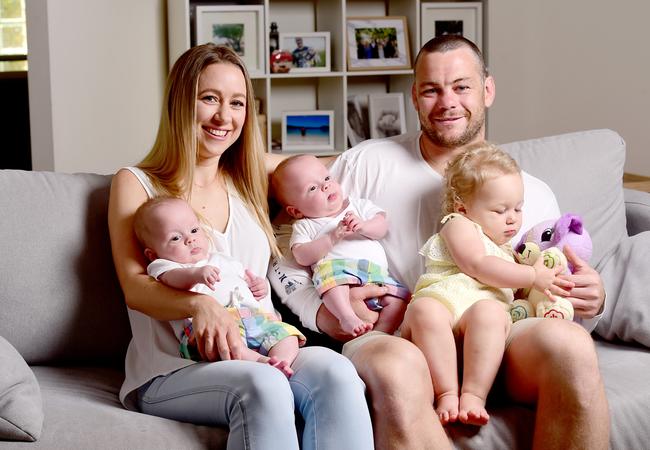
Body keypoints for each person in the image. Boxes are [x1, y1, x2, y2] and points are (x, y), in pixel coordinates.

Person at [269, 35, 609, 449]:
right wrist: (325, 315)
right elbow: (284, 259)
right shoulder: (365, 164)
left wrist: (589, 300)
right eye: (432, 89)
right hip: (402, 333)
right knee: (394, 366)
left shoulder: (529, 191)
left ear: (488, 90)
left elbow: (549, 287)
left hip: (501, 337)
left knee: (572, 346)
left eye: (462, 86)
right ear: (414, 96)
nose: (447, 101)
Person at [108, 43, 374, 450]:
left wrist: (415, 150)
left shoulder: (249, 175)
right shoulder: (136, 183)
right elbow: (134, 285)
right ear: (182, 102)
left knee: (338, 373)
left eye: (237, 103)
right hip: (173, 367)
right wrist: (200, 305)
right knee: (264, 384)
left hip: (262, 344)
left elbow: (337, 167)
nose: (224, 117)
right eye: (209, 99)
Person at [401, 143, 571, 426]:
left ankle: (474, 395)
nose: (512, 218)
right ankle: (446, 393)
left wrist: (543, 286)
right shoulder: (458, 225)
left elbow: (519, 291)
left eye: (518, 208)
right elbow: (477, 264)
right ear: (463, 207)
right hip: (444, 302)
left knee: (490, 313)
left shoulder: (511, 252)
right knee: (425, 311)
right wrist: (531, 276)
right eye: (500, 210)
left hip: (480, 317)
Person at [133, 196, 306, 377]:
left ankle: (281, 362)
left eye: (193, 230)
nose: (190, 239)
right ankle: (261, 363)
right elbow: (172, 280)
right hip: (209, 327)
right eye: (175, 238)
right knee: (229, 346)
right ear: (152, 254)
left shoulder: (223, 260)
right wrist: (196, 274)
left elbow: (246, 281)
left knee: (287, 334)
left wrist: (258, 287)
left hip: (251, 317)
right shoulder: (165, 266)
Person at [271, 154, 409, 337]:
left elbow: (382, 226)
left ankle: (380, 333)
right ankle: (346, 317)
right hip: (338, 271)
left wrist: (364, 226)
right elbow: (301, 256)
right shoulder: (306, 225)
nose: (325, 186)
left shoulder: (357, 206)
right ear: (296, 211)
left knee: (400, 299)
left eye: (327, 178)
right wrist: (331, 239)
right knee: (332, 283)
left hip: (376, 273)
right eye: (313, 188)